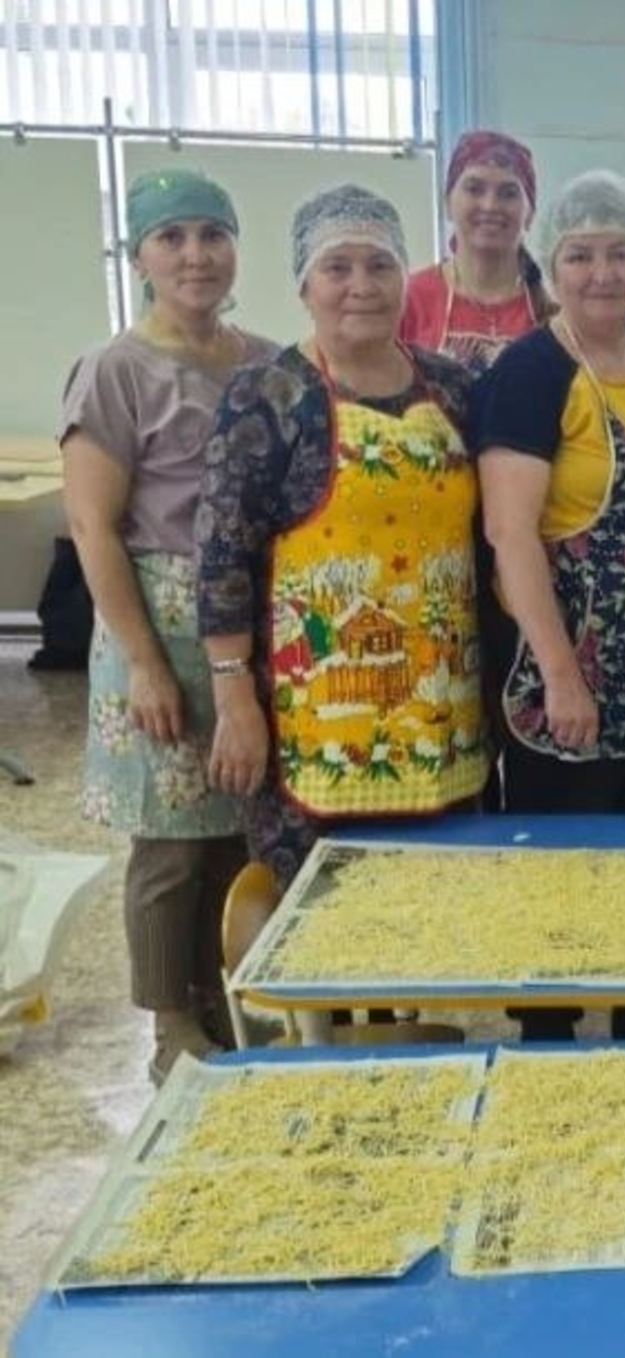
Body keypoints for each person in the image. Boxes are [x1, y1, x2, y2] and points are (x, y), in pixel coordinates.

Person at [474, 171, 625, 1041]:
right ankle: (548, 1027)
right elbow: (510, 537)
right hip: (573, 674)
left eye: (620, 253)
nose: (602, 273)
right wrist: (561, 674)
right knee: (564, 869)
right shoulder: (533, 372)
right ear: (553, 262)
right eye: (580, 255)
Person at [198, 184, 485, 895]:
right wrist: (234, 701)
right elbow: (222, 558)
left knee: (433, 914)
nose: (362, 286)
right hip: (316, 730)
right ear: (304, 284)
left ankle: (421, 1017)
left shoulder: (453, 386)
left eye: (381, 266)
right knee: (317, 926)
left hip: (445, 720)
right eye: (338, 268)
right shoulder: (266, 395)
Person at [60, 168, 276, 1083]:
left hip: (249, 629)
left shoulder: (266, 360)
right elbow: (90, 525)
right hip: (158, 624)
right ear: (140, 254)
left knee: (239, 830)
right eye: (173, 236)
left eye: (212, 235)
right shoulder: (117, 371)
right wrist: (146, 663)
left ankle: (224, 1001)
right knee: (173, 846)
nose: (196, 255)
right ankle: (169, 1027)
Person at [399, 130, 556, 376]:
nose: (490, 205)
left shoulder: (556, 313)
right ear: (448, 204)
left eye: (508, 193)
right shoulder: (407, 300)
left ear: (531, 213)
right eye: (474, 189)